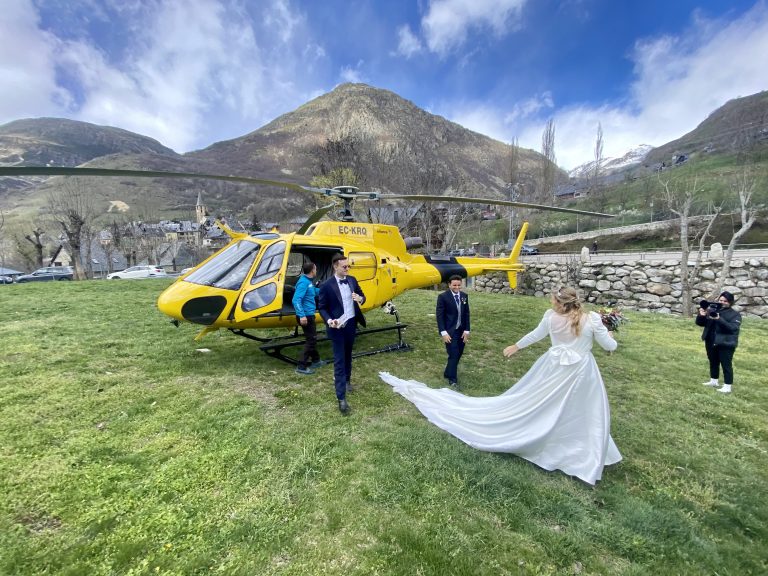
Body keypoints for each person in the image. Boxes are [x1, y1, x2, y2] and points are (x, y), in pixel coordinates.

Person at [379, 287, 620, 485]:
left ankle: (556, 439)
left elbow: (535, 335)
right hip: (580, 372)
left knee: (544, 403)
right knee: (581, 409)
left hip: (554, 368)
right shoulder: (593, 320)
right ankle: (576, 447)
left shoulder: (551, 317)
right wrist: (611, 337)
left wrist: (516, 346)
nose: (550, 301)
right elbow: (609, 347)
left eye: (552, 299)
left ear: (559, 303)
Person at [318, 253, 366, 414]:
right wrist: (329, 320)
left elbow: (362, 296)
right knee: (339, 360)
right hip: (337, 327)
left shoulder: (351, 280)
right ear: (335, 266)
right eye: (344, 266)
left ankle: (347, 380)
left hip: (351, 323)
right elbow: (322, 307)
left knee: (348, 354)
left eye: (348, 266)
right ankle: (341, 398)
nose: (347, 269)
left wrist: (360, 298)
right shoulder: (326, 285)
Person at [696, 291, 741, 394]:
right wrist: (701, 315)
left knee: (726, 364)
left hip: (726, 342)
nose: (723, 302)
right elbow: (700, 323)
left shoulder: (735, 315)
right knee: (713, 361)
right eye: (721, 300)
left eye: (725, 301)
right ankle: (713, 381)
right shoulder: (712, 310)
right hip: (711, 340)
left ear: (730, 302)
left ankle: (727, 386)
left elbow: (733, 328)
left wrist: (719, 319)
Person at [436, 275, 470, 387]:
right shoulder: (443, 297)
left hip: (461, 330)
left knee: (459, 353)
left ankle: (447, 372)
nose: (457, 287)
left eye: (459, 285)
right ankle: (453, 379)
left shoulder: (464, 296)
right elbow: (439, 316)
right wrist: (443, 332)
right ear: (449, 284)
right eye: (454, 285)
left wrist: (467, 330)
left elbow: (466, 314)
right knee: (454, 353)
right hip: (450, 331)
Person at [292, 261, 322, 375]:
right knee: (311, 340)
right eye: (316, 269)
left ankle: (316, 360)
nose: (317, 271)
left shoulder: (308, 282)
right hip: (306, 316)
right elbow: (296, 300)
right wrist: (302, 315)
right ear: (312, 270)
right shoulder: (303, 283)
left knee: (312, 338)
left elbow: (314, 291)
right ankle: (301, 366)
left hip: (308, 315)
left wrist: (326, 289)